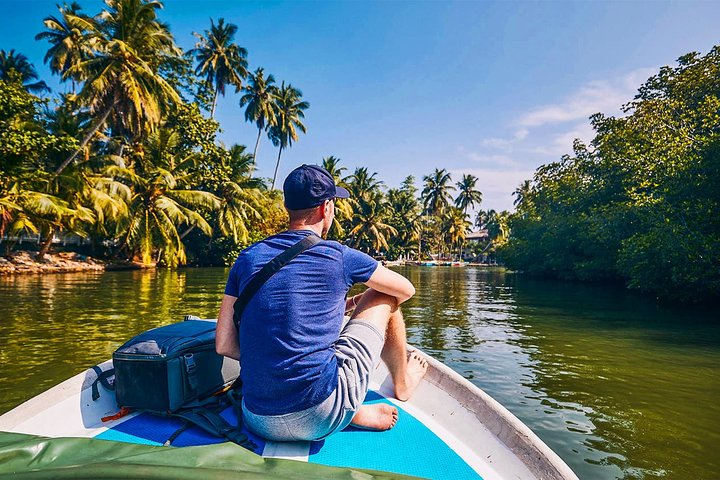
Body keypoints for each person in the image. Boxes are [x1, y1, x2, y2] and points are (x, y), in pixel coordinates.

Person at [215, 164, 428, 441]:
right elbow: (406, 290)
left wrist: (277, 361)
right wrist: (361, 301)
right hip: (320, 413)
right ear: (326, 208)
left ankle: (346, 408)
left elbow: (224, 344)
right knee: (385, 294)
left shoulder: (247, 258)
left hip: (257, 418)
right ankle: (401, 383)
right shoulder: (339, 255)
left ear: (287, 206)